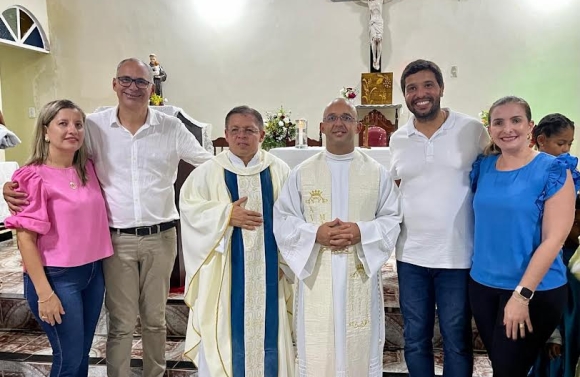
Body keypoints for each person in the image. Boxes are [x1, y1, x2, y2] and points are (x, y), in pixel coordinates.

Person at [4, 58, 213, 377]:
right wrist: (13, 185)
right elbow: (42, 181)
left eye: (141, 82)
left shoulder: (167, 128)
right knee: (119, 325)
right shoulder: (95, 126)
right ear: (115, 84)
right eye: (126, 80)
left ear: (151, 87)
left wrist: (248, 171)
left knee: (154, 321)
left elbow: (207, 163)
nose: (133, 87)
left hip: (158, 239)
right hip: (113, 244)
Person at [273, 98, 402, 377]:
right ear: (321, 127)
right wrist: (314, 233)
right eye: (331, 118)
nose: (338, 123)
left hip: (360, 270)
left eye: (346, 117)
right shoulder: (302, 173)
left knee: (358, 347)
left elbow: (392, 218)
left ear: (357, 126)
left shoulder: (376, 172)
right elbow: (283, 219)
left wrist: (362, 232)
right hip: (317, 272)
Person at [388, 59, 487, 377]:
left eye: (427, 85)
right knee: (415, 339)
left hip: (457, 256)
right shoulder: (398, 139)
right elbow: (395, 187)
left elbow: (495, 169)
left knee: (456, 339)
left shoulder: (471, 129)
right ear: (405, 95)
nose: (420, 93)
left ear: (441, 88)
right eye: (411, 88)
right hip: (411, 255)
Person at [179, 105, 295, 377]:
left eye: (249, 130)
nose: (242, 136)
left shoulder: (280, 171)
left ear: (262, 134)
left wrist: (285, 263)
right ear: (226, 134)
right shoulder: (207, 172)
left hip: (270, 273)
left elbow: (295, 221)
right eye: (235, 130)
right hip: (224, 276)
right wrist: (226, 215)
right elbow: (190, 210)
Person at [469, 96, 579, 377]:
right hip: (483, 286)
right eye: (499, 122)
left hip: (533, 289)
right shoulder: (484, 167)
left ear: (530, 126)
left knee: (508, 370)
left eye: (516, 120)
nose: (508, 128)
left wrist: (521, 296)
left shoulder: (553, 170)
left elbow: (554, 239)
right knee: (504, 367)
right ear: (490, 128)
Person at [4, 99, 113, 376]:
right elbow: (25, 239)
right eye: (62, 123)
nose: (72, 130)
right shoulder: (32, 176)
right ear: (45, 131)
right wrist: (45, 294)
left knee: (81, 356)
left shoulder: (87, 168)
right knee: (68, 358)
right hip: (57, 277)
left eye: (78, 124)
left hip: (92, 273)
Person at [530, 113, 580, 377]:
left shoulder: (570, 171)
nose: (567, 150)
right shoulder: (531, 170)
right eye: (561, 143)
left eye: (570, 144)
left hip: (563, 252)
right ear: (541, 141)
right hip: (538, 247)